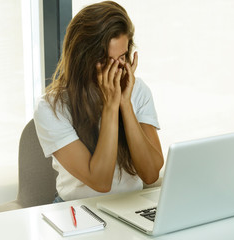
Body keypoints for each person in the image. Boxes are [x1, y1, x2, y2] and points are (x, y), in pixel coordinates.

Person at [34, 1, 163, 202]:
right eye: (104, 60)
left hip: (130, 205)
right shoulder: (51, 107)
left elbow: (151, 174)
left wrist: (125, 104)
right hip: (77, 208)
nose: (115, 68)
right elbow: (101, 182)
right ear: (81, 57)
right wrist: (111, 107)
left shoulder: (137, 91)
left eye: (121, 57)